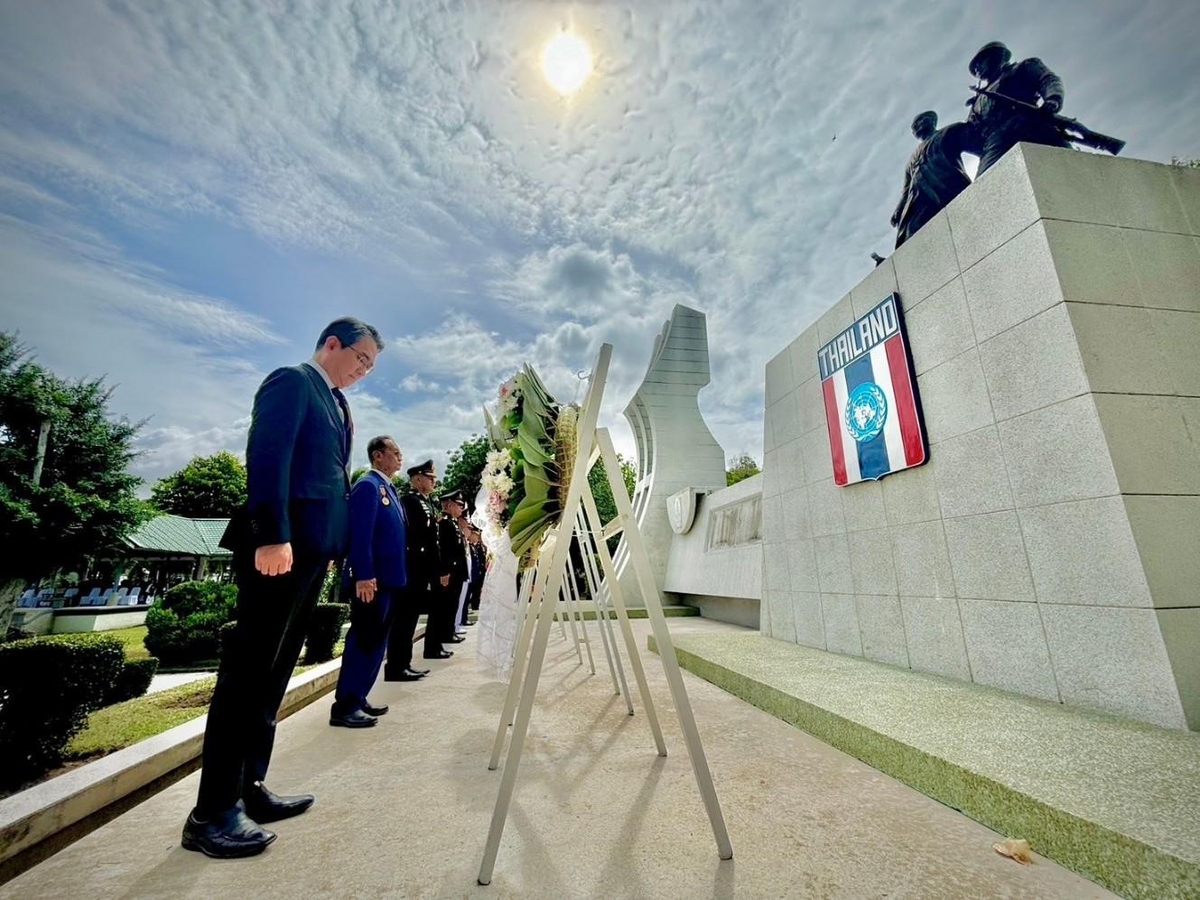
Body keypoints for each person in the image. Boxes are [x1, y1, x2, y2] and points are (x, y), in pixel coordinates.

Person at [182, 317, 382, 859]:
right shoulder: (293, 381)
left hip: (312, 555)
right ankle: (211, 812)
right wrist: (272, 535)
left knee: (272, 676)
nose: (364, 372)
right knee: (248, 674)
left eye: (371, 367)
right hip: (280, 551)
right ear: (332, 343)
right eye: (361, 359)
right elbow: (268, 458)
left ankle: (248, 787)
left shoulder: (337, 403)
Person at [329, 435, 407, 729]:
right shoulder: (367, 486)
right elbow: (360, 536)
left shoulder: (388, 488)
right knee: (363, 641)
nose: (400, 457)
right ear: (378, 456)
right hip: (371, 582)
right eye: (395, 452)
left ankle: (359, 695)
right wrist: (363, 574)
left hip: (389, 581)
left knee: (377, 641)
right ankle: (345, 705)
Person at [966, 41, 1069, 175]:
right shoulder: (977, 101)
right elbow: (971, 131)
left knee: (1066, 164)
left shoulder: (1022, 68)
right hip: (995, 140)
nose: (977, 68)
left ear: (998, 55)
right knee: (983, 182)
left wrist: (1053, 99)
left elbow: (1047, 79)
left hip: (1028, 124)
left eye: (980, 61)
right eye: (975, 66)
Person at [383, 459, 443, 675]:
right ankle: (396, 666)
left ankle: (403, 664)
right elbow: (413, 538)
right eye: (430, 477)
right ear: (417, 479)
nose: (433, 481)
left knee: (410, 617)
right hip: (412, 567)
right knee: (404, 618)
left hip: (422, 569)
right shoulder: (410, 501)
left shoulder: (426, 502)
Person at [890, 110, 976, 248]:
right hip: (918, 199)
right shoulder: (911, 161)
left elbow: (980, 146)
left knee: (964, 222)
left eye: (920, 121)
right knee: (911, 236)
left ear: (932, 120)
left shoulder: (950, 132)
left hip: (948, 186)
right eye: (913, 127)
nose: (916, 127)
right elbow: (906, 190)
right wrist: (899, 208)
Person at [434, 490, 469, 648]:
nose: (461, 508)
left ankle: (449, 632)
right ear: (449, 505)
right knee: (445, 606)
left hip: (457, 572)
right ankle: (444, 634)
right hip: (450, 572)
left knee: (452, 605)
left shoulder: (453, 523)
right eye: (459, 505)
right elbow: (444, 550)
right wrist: (445, 571)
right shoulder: (445, 523)